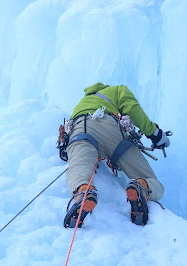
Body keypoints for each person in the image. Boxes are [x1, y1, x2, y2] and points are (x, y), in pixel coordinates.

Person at [62, 82, 170, 228]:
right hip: (113, 130)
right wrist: (155, 134)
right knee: (150, 179)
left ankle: (83, 191)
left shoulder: (81, 103)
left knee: (79, 166)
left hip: (82, 128)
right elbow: (132, 109)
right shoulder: (117, 89)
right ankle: (141, 185)